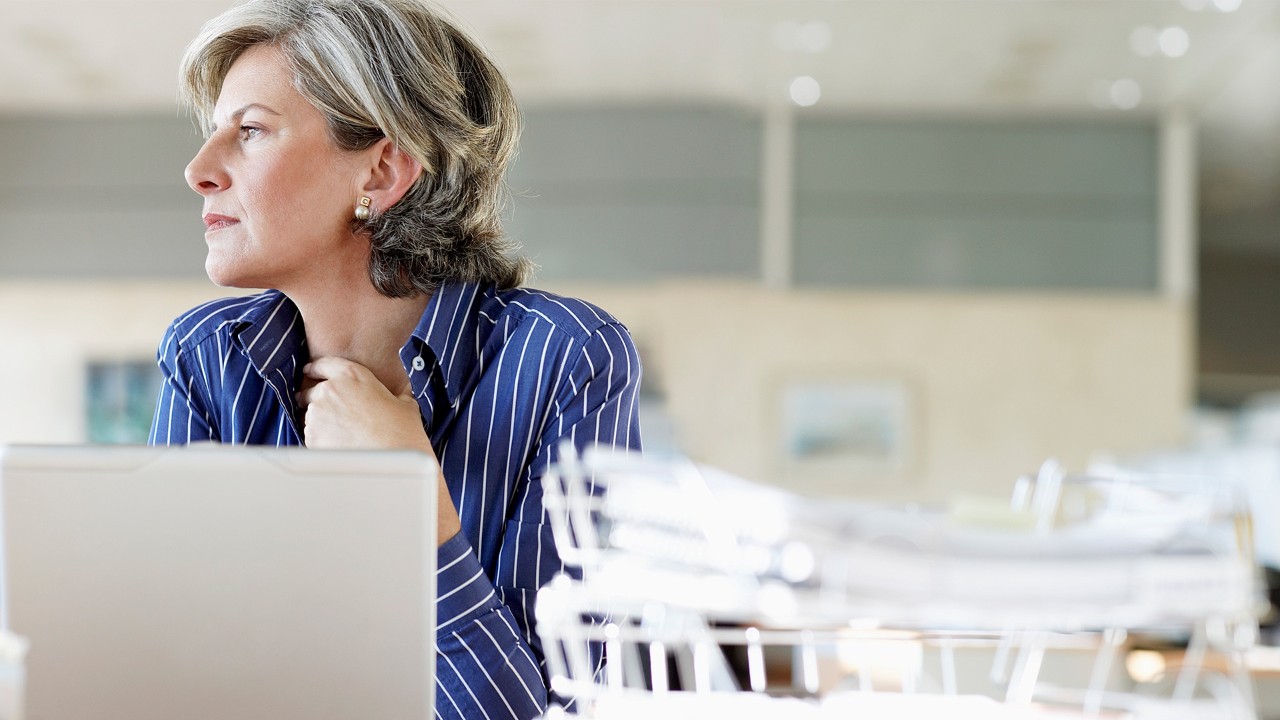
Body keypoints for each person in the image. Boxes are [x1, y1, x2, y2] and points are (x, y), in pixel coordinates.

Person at [147, 0, 643, 717]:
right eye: (212, 133)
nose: (199, 170)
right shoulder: (206, 358)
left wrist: (414, 500)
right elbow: (166, 668)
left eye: (250, 131)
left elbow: (559, 707)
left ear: (381, 171)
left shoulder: (568, 357)